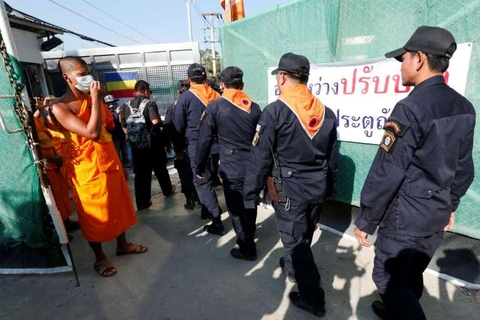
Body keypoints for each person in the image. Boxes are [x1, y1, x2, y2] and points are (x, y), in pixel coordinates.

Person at [353, 26, 476, 320]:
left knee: (388, 278)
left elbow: (387, 171)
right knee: (411, 271)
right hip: (436, 213)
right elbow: (463, 167)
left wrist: (367, 219)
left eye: (404, 58)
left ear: (419, 59)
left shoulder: (410, 108)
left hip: (405, 216)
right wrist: (452, 205)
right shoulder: (465, 107)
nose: (402, 65)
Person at [244, 53, 338, 317]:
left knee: (296, 242)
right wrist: (328, 188)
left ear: (282, 77)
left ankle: (313, 299)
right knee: (304, 233)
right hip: (317, 186)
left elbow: (260, 157)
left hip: (288, 190)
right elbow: (332, 157)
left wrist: (249, 193)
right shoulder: (326, 112)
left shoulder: (275, 111)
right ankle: (294, 266)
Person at [50, 56, 147, 278]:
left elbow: (105, 129)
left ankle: (122, 245)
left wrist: (119, 163)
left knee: (118, 205)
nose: (88, 78)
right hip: (86, 170)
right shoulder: (60, 107)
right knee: (94, 214)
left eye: (88, 73)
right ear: (67, 77)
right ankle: (100, 257)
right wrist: (94, 99)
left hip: (108, 162)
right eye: (82, 74)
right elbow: (91, 132)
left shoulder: (95, 100)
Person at [196, 66, 261, 261]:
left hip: (232, 166)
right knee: (250, 200)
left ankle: (246, 247)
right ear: (242, 85)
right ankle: (249, 233)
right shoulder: (254, 107)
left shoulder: (215, 107)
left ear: (222, 85)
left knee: (236, 207)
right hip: (253, 164)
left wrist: (200, 166)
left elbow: (204, 140)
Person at [173, 63, 225, 235]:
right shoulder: (217, 95)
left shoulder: (185, 98)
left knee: (202, 181)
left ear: (189, 80)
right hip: (218, 146)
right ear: (205, 78)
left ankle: (216, 220)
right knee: (211, 177)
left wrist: (178, 147)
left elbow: (178, 126)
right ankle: (207, 209)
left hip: (196, 146)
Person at [120, 80, 174, 210]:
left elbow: (124, 127)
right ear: (146, 91)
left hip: (136, 148)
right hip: (153, 146)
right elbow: (155, 121)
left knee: (140, 174)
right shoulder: (149, 104)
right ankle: (167, 191)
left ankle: (142, 202)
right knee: (160, 169)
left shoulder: (125, 106)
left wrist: (135, 138)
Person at [33, 97, 78, 234]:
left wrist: (41, 110)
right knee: (55, 199)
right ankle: (61, 228)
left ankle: (66, 221)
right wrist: (52, 158)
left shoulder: (36, 120)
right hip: (48, 165)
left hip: (56, 163)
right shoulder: (31, 123)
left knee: (62, 195)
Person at [164, 80, 198, 210]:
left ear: (178, 91)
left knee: (184, 173)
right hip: (195, 145)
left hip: (181, 147)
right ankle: (199, 198)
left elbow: (167, 126)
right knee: (197, 171)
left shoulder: (174, 106)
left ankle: (189, 199)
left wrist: (168, 143)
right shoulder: (197, 103)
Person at [104, 94, 130, 168]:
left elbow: (124, 120)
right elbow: (109, 121)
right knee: (116, 151)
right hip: (114, 135)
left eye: (114, 102)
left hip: (122, 134)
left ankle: (126, 162)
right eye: (110, 103)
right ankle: (119, 164)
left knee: (124, 150)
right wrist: (116, 113)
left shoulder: (119, 110)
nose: (113, 104)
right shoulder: (105, 111)